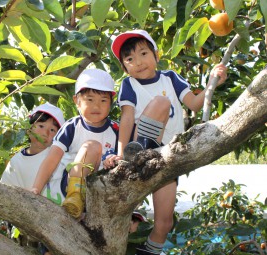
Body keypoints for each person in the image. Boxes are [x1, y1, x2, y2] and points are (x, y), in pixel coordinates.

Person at [111, 29, 227, 255]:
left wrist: (214, 82)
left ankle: (150, 252)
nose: (138, 62)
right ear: (125, 68)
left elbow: (194, 103)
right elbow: (126, 118)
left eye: (144, 53)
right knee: (161, 103)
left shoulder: (170, 78)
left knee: (165, 223)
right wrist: (121, 152)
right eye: (130, 59)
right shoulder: (129, 85)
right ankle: (140, 152)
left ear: (156, 55)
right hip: (141, 149)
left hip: (166, 157)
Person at [31, 69, 119, 220]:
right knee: (92, 146)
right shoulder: (72, 126)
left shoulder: (116, 130)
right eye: (90, 100)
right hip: (68, 185)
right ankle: (75, 196)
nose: (96, 106)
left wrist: (112, 159)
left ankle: (85, 207)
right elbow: (52, 158)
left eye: (103, 100)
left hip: (98, 190)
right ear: (76, 101)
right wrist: (36, 188)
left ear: (111, 102)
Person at [0, 102, 65, 254]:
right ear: (29, 129)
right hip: (33, 222)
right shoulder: (17, 160)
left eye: (53, 130)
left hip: (59, 218)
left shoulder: (58, 157)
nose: (46, 133)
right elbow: (4, 188)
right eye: (41, 126)